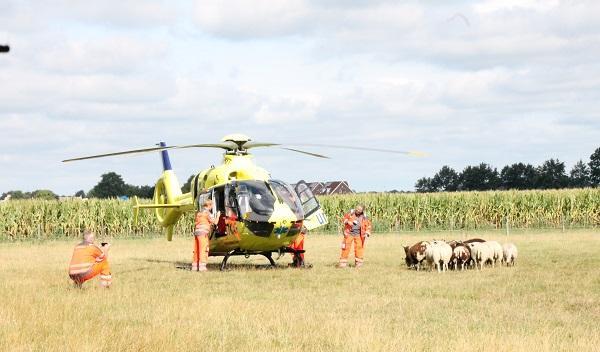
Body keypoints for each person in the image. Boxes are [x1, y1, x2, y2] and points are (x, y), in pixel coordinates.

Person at [193, 199, 219, 272]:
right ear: (209, 205)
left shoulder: (199, 213)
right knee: (203, 249)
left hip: (197, 233)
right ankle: (202, 267)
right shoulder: (207, 213)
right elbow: (215, 222)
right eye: (212, 205)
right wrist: (218, 215)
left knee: (196, 249)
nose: (212, 207)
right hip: (203, 233)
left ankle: (195, 266)